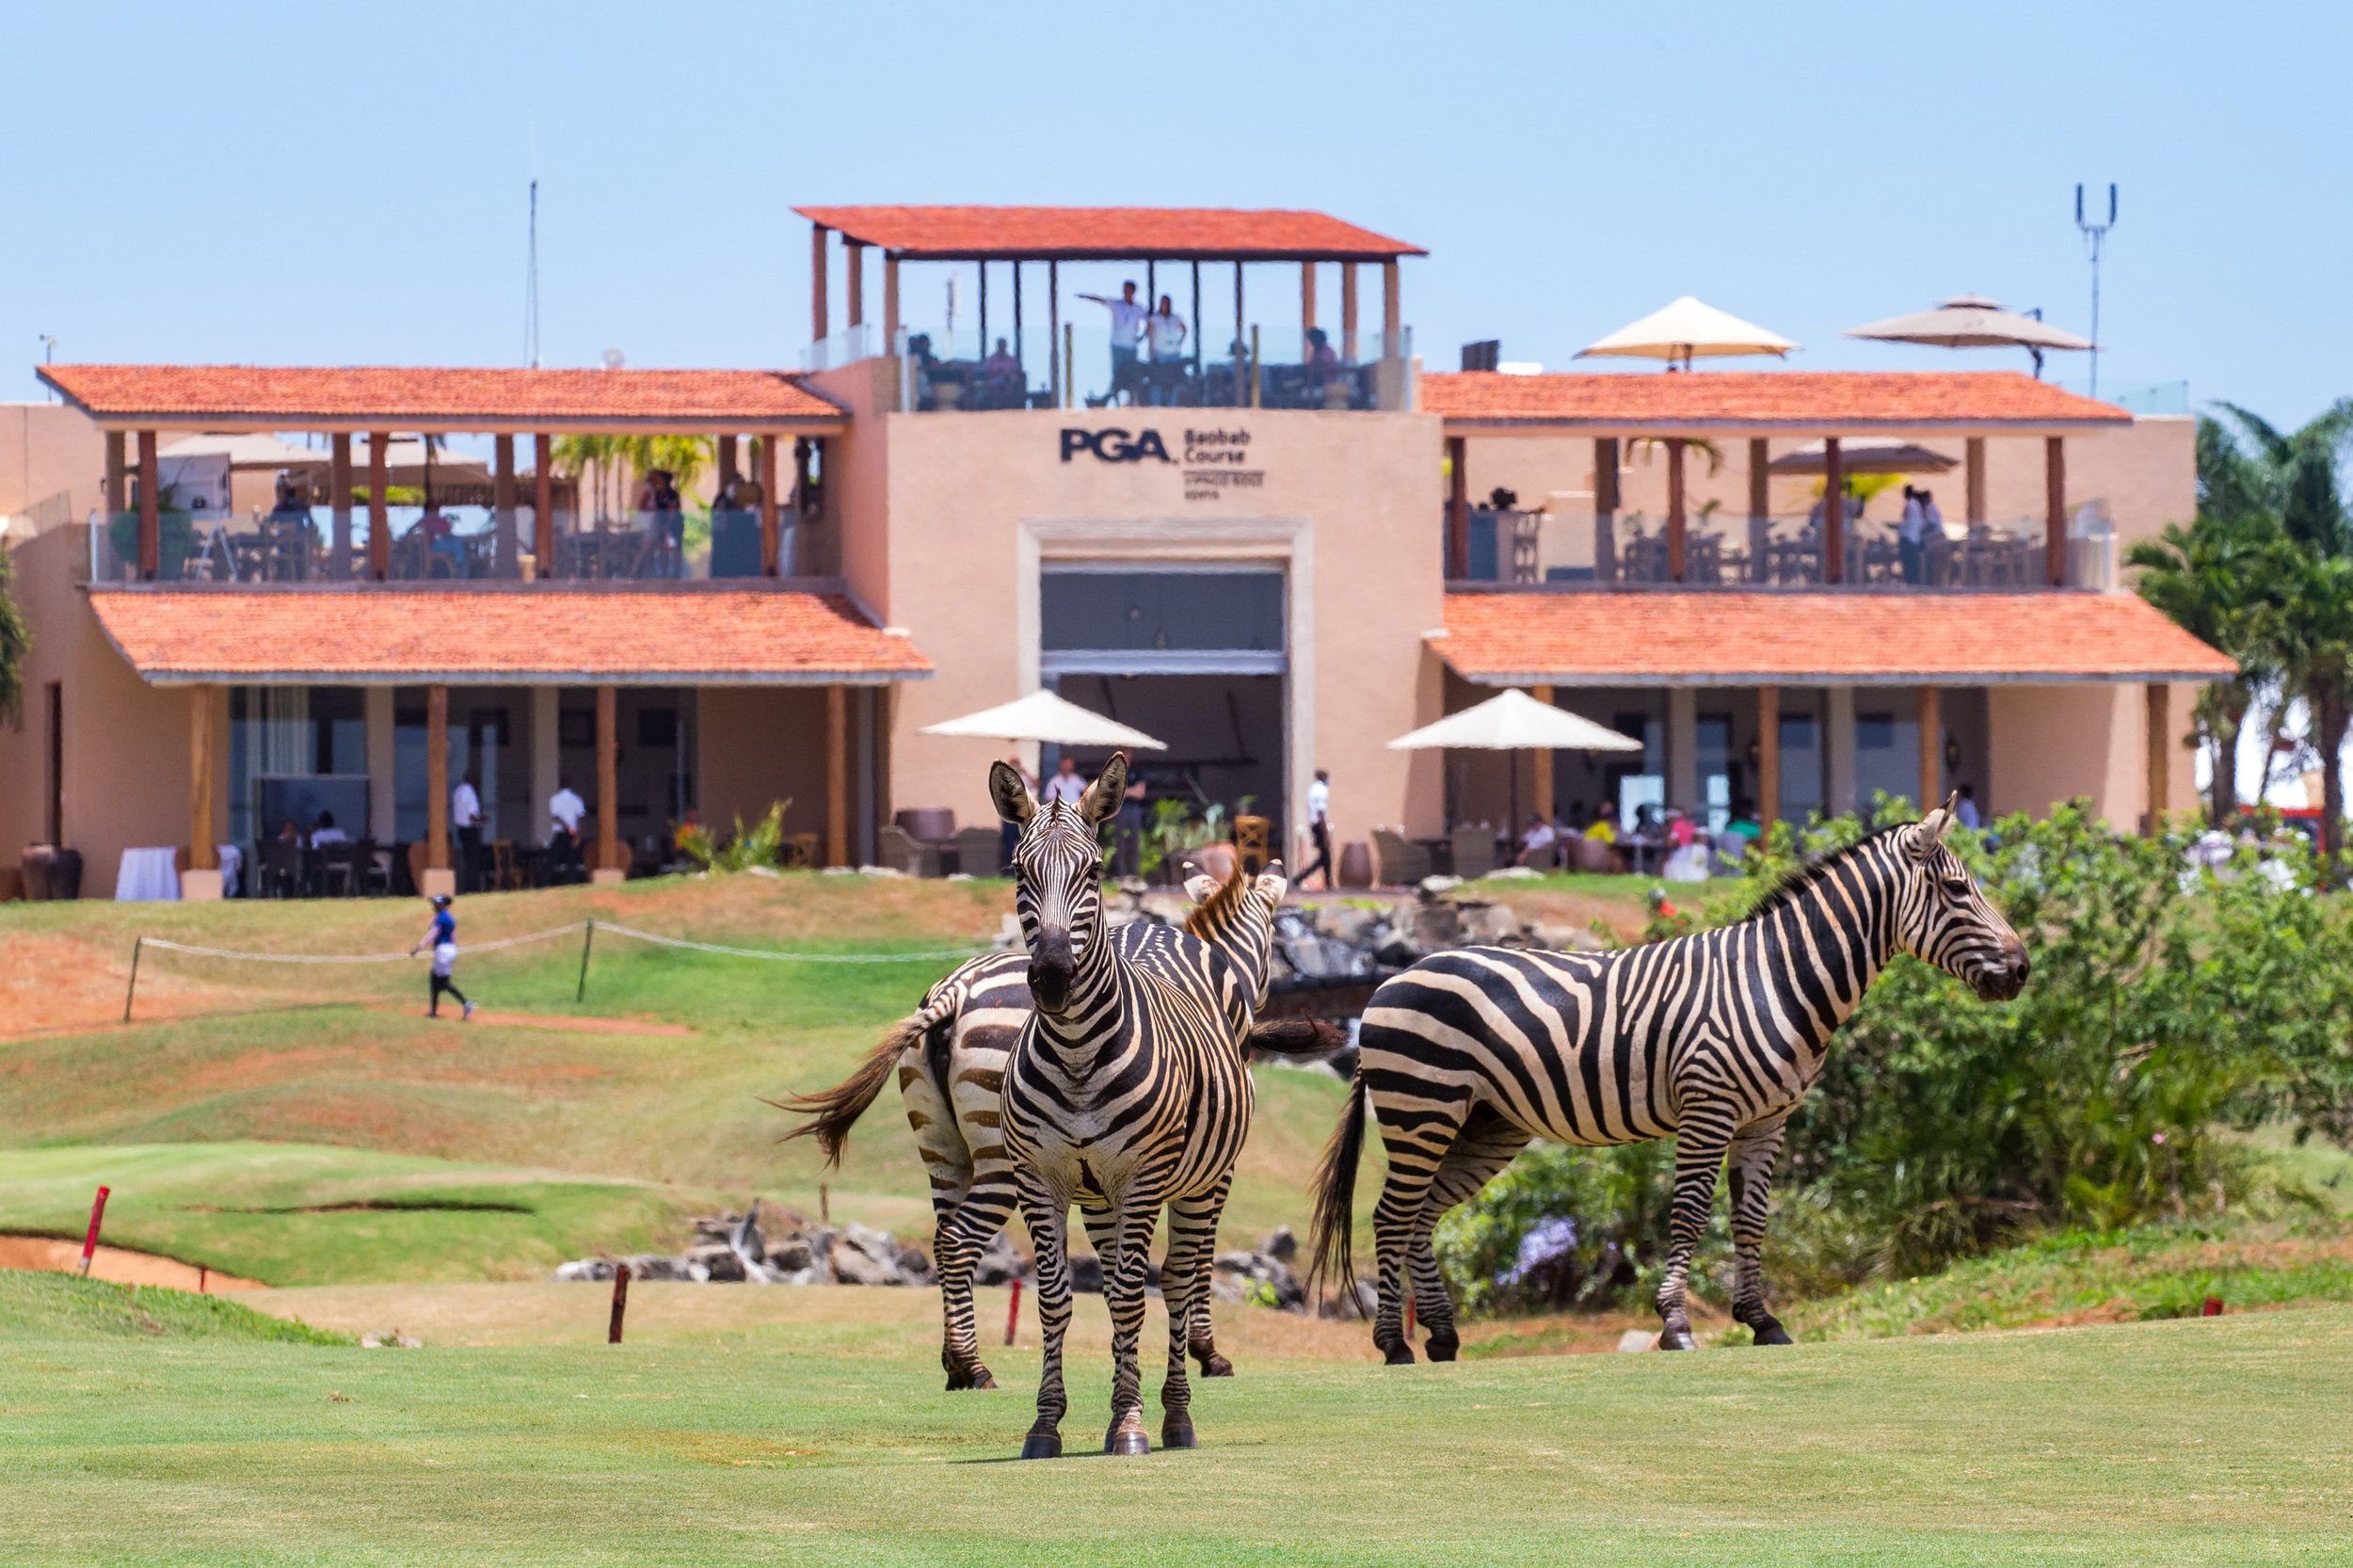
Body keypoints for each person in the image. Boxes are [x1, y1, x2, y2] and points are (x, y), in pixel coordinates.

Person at [1077, 281, 1149, 403]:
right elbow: (1100, 299)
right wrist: (1085, 296)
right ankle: (1117, 403)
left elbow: (1150, 321)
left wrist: (1143, 336)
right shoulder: (1116, 304)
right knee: (1117, 376)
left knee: (1133, 376)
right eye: (1124, 290)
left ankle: (1133, 402)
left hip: (1131, 348)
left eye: (1128, 290)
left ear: (1133, 292)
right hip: (1117, 346)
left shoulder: (1139, 309)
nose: (1126, 293)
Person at [409, 894, 473, 1020]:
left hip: (443, 951)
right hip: (450, 950)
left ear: (443, 905)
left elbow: (432, 934)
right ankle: (433, 1011)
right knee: (436, 980)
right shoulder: (449, 918)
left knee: (442, 983)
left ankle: (466, 1003)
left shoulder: (440, 918)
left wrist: (418, 948)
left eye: (436, 904)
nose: (434, 906)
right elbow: (453, 936)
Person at [1144, 296, 1189, 405]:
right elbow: (1149, 335)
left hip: (1174, 354)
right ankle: (1156, 404)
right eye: (1163, 303)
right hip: (1160, 354)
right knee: (1157, 380)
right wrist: (1151, 352)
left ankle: (1172, 405)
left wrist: (1180, 342)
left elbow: (1184, 329)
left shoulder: (1176, 318)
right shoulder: (1154, 319)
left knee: (1175, 380)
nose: (1164, 305)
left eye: (1167, 303)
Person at [1300, 769, 1334, 889]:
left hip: (1314, 825)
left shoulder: (1312, 789)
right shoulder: (1322, 790)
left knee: (1324, 857)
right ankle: (1299, 878)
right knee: (1325, 857)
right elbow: (1321, 813)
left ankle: (1329, 882)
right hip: (1320, 825)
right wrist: (1326, 833)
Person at [549, 776, 585, 882]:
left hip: (561, 832)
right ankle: (571, 881)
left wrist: (567, 827)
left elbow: (556, 816)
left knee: (552, 859)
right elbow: (581, 818)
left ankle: (548, 882)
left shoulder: (555, 799)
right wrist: (578, 835)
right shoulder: (577, 799)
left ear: (560, 786)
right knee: (572, 861)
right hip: (574, 833)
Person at [452, 772, 483, 893]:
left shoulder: (458, 791)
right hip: (470, 830)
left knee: (467, 859)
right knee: (473, 860)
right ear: (473, 780)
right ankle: (472, 888)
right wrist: (482, 819)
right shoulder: (469, 791)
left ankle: (466, 887)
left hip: (461, 830)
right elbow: (472, 816)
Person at [1113, 772, 1148, 878]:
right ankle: (1121, 874)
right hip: (1120, 809)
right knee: (1120, 842)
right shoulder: (1115, 773)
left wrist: (1124, 791)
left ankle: (1135, 873)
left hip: (1134, 809)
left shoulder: (1137, 772)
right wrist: (1132, 790)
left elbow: (1141, 793)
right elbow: (1114, 793)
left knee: (1135, 841)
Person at [1898, 485, 1929, 585]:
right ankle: (1913, 580)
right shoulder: (1917, 505)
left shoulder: (1910, 504)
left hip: (1909, 537)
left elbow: (1905, 519)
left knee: (1908, 560)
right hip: (1915, 537)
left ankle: (1910, 580)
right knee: (1913, 560)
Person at [981, 337, 1024, 404]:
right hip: (995, 380)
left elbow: (1017, 371)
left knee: (1009, 385)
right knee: (994, 386)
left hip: (1008, 380)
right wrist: (996, 373)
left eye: (1003, 345)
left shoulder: (1011, 360)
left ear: (1006, 346)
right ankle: (996, 405)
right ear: (997, 346)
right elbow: (987, 371)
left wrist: (1009, 375)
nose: (1001, 347)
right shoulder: (992, 359)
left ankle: (1008, 404)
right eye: (1000, 345)